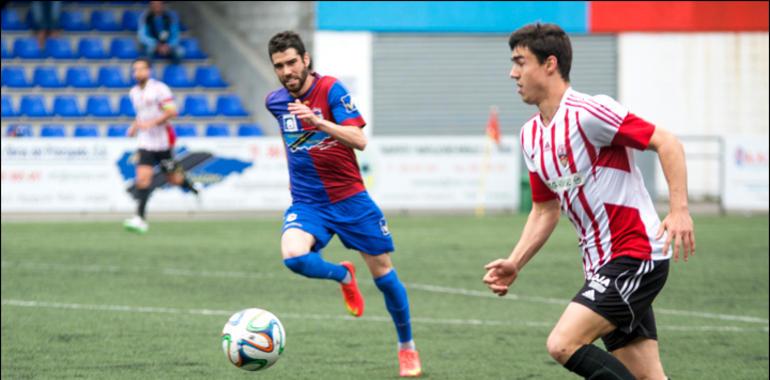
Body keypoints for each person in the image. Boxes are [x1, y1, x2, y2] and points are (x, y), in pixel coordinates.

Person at [482, 23, 695, 380]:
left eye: (521, 62)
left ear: (550, 64)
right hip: (601, 266)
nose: (512, 72)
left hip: (636, 254)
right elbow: (544, 209)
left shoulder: (589, 112)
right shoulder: (531, 135)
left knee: (562, 343)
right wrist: (515, 262)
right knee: (648, 376)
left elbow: (667, 142)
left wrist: (679, 210)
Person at [265, 31, 422, 377]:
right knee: (293, 256)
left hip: (350, 200)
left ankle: (407, 347)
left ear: (306, 60)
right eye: (279, 66)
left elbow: (360, 140)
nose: (287, 71)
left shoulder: (332, 90)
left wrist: (320, 122)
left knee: (383, 274)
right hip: (308, 202)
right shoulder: (275, 102)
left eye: (292, 62)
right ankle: (342, 275)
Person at [123, 58, 199, 234]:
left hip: (163, 142)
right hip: (145, 142)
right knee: (143, 178)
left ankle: (192, 187)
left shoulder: (159, 89)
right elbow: (141, 115)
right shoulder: (133, 92)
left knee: (174, 179)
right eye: (135, 70)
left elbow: (172, 111)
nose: (138, 73)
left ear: (149, 71)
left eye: (141, 69)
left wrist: (152, 123)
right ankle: (140, 218)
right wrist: (135, 127)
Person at [137, 1, 182, 65]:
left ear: (163, 5)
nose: (157, 6)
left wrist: (168, 45)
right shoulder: (145, 17)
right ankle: (150, 71)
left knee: (180, 52)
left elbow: (176, 35)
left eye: (159, 3)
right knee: (149, 50)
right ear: (150, 5)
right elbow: (142, 36)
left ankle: (174, 71)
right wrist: (156, 44)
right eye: (154, 4)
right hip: (152, 45)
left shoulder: (170, 17)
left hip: (167, 45)